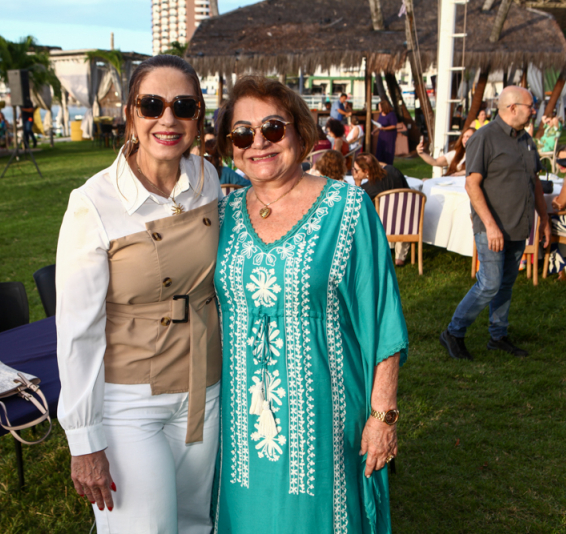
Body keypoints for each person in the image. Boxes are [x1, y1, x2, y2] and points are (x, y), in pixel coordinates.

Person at [214, 76, 408, 534]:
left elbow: (381, 318)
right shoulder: (221, 214)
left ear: (300, 134)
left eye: (273, 128)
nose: (258, 142)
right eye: (243, 133)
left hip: (327, 419)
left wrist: (382, 415)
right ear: (231, 146)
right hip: (240, 421)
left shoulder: (348, 208)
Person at [55, 54, 223, 532]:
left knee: (196, 522)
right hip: (129, 400)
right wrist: (84, 439)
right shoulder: (93, 203)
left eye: (183, 106)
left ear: (198, 117)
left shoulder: (207, 179)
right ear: (130, 113)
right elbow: (77, 331)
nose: (166, 119)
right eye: (152, 105)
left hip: (204, 385)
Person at [440, 86, 551, 360]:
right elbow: (471, 184)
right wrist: (490, 225)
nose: (534, 110)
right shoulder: (485, 137)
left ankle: (498, 336)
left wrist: (545, 219)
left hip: (518, 225)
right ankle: (454, 332)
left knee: (505, 284)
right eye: (530, 105)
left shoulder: (526, 140)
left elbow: (535, 182)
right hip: (492, 226)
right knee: (489, 283)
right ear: (512, 108)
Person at [355, 153, 411, 266]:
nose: (355, 172)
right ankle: (400, 257)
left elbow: (356, 203)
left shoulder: (368, 188)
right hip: (407, 220)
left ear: (366, 171)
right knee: (399, 212)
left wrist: (357, 184)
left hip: (384, 224)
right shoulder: (392, 170)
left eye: (356, 170)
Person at [373, 99, 398, 165]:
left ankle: (388, 165)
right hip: (382, 135)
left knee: (388, 150)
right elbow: (379, 124)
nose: (379, 108)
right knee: (380, 150)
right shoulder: (381, 114)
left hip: (389, 136)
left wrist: (385, 128)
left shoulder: (391, 115)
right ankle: (380, 164)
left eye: (380, 107)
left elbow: (393, 126)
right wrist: (374, 131)